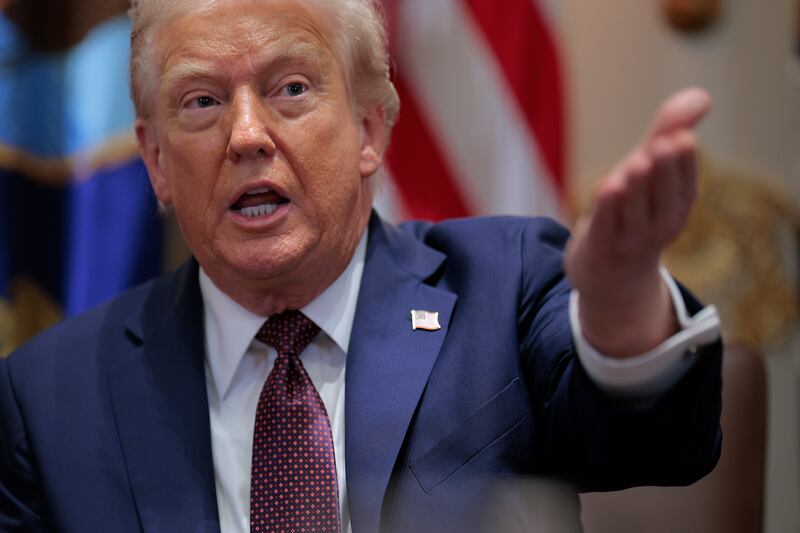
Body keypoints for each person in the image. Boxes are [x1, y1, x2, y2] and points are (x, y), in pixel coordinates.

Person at [0, 0, 723, 532]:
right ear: (156, 161)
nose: (246, 134)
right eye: (202, 101)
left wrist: (622, 307)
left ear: (370, 130)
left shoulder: (502, 290)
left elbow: (657, 443)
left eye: (290, 89)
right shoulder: (47, 396)